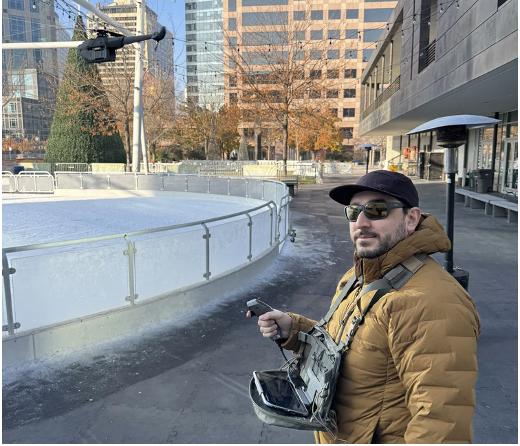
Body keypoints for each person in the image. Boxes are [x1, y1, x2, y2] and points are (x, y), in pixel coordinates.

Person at [251, 170, 480, 443]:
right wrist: (294, 329)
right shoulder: (361, 275)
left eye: (376, 210)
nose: (361, 222)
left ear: (411, 219)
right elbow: (347, 347)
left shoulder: (431, 301)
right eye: (354, 212)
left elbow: (442, 423)